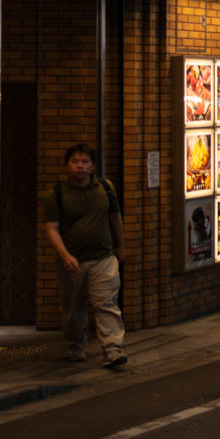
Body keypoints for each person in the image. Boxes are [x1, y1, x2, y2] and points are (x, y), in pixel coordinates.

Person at [42, 143, 127, 372]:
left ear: (93, 166)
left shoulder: (105, 188)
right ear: (67, 165)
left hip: (103, 257)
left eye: (85, 162)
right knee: (73, 308)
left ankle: (112, 348)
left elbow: (115, 217)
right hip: (73, 262)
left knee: (107, 303)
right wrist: (65, 255)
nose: (80, 167)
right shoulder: (57, 195)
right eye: (75, 162)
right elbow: (52, 228)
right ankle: (75, 345)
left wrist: (121, 245)